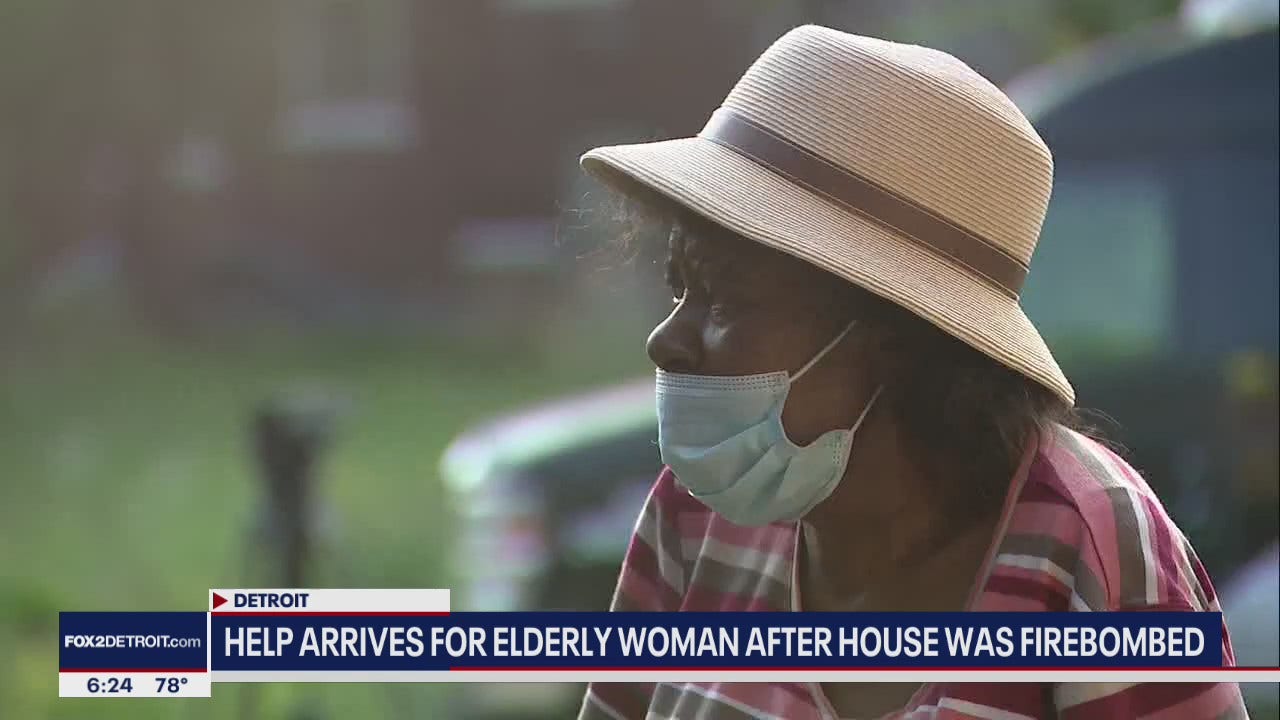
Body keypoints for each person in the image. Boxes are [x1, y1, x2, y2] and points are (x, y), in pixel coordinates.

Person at [574, 25, 1247, 720]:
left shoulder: (1090, 551)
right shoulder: (695, 516)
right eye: (679, 287)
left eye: (727, 299)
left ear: (893, 332)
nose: (665, 340)